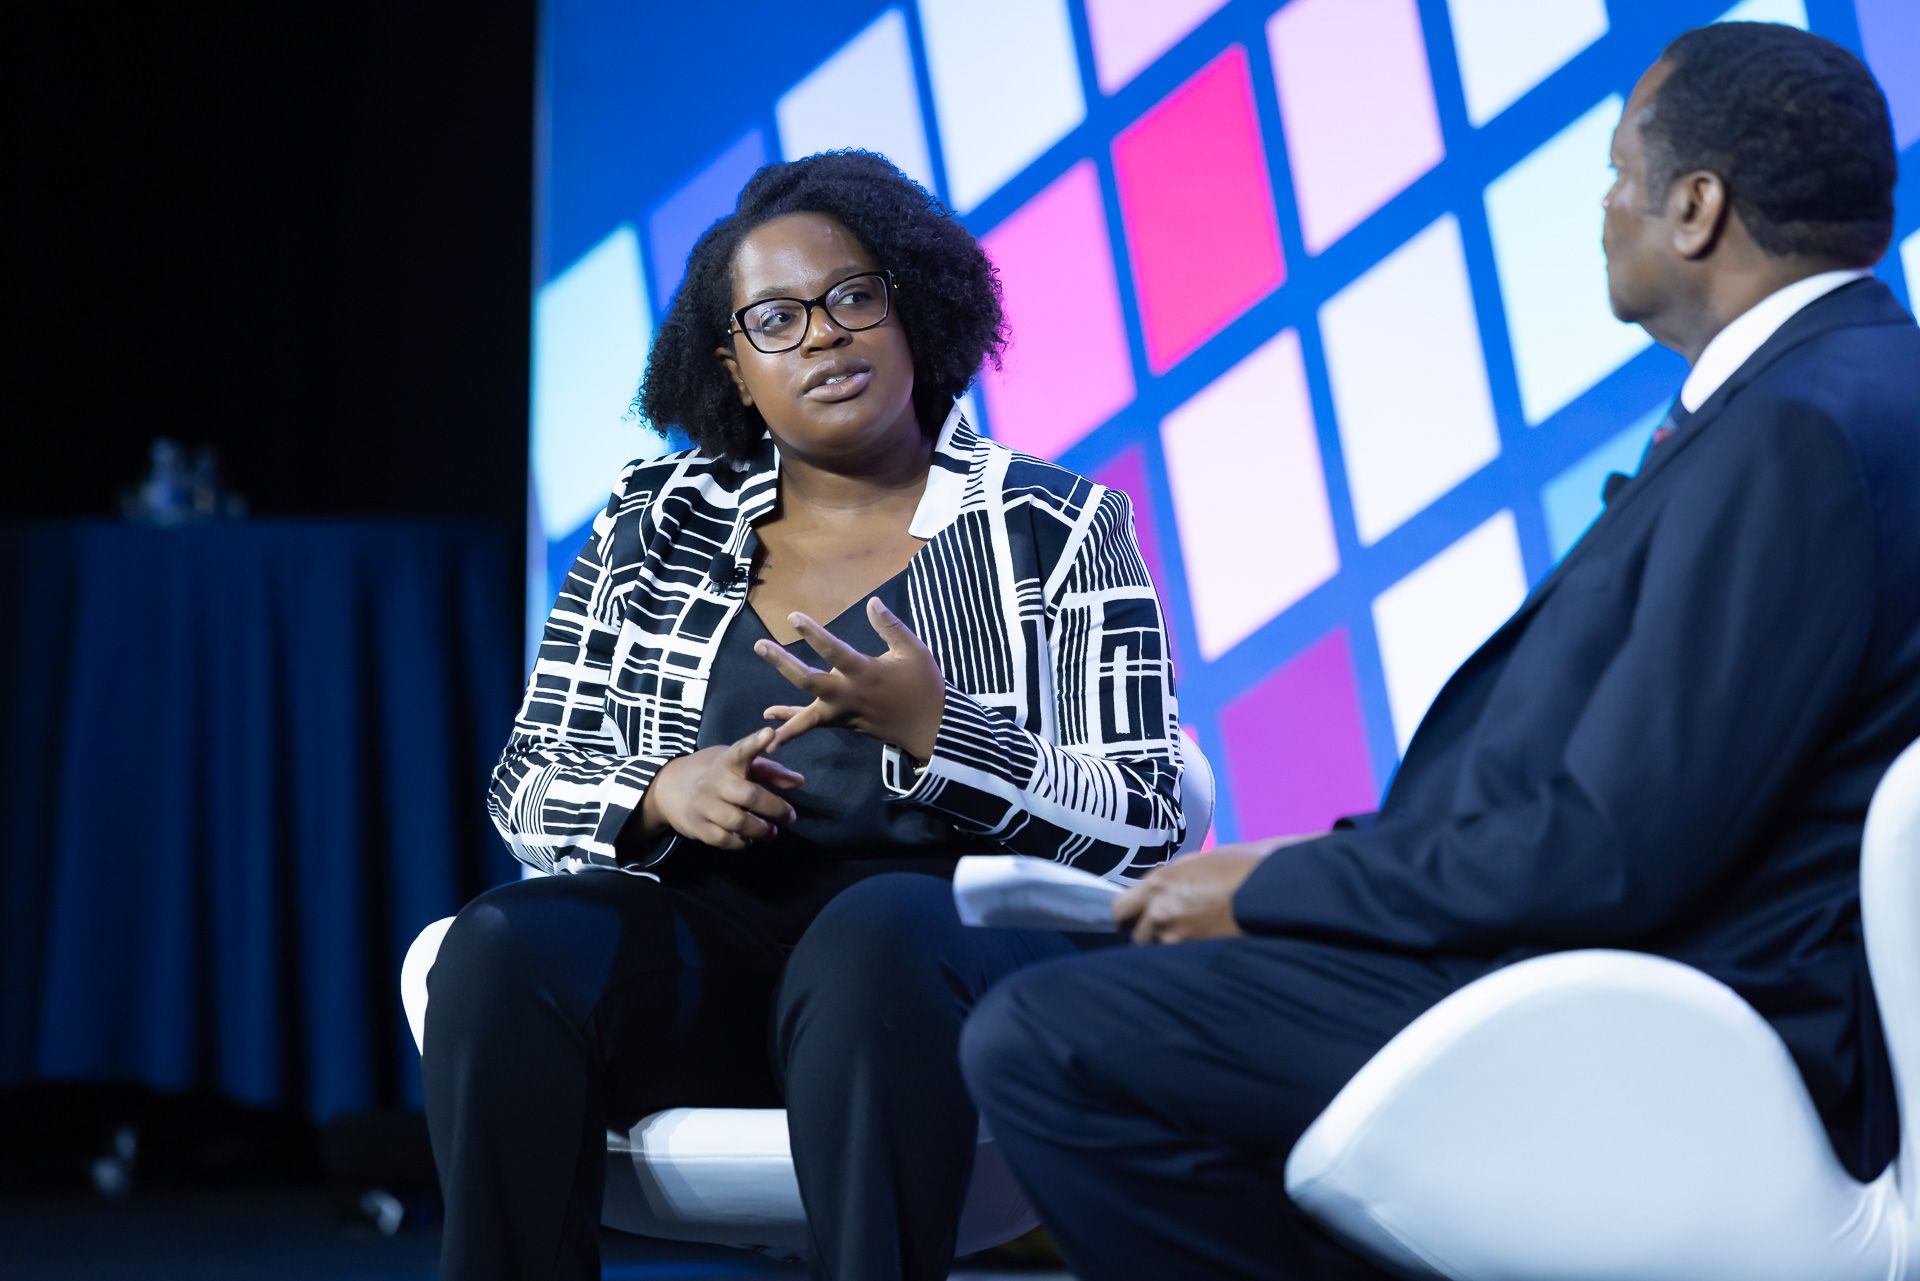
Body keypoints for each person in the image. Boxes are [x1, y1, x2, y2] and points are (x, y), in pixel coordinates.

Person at [961, 22, 1917, 1280]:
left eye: (1620, 171)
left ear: (1697, 208)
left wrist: (1270, 891)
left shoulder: (1798, 428)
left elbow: (1612, 847)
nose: (1605, 208)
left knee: (1047, 1036)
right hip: (1613, 963)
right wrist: (1315, 879)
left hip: (1667, 1017)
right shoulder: (1836, 394)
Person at [419, 150, 1184, 1281]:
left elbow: (1149, 818)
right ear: (729, 366)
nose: (823, 336)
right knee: (500, 945)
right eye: (775, 319)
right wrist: (657, 794)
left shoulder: (1054, 526)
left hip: (945, 955)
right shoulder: (652, 522)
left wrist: (943, 734)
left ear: (914, 307)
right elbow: (530, 775)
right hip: (718, 951)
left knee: (877, 933)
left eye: (852, 297)